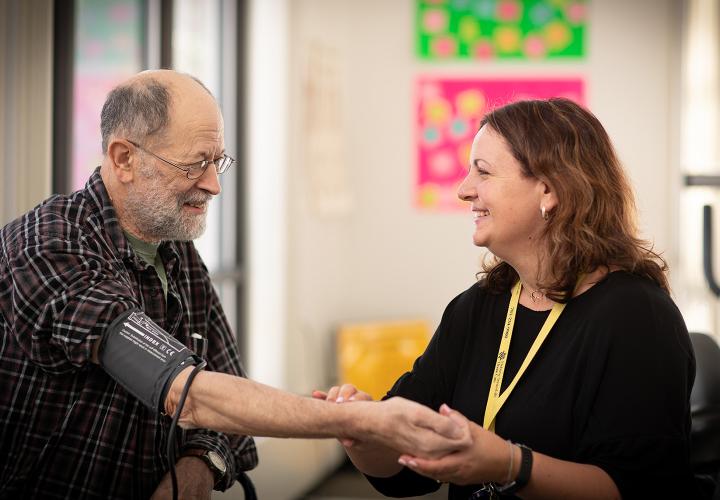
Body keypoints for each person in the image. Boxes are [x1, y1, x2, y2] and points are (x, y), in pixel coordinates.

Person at [0, 70, 470, 500]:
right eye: (194, 164)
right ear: (124, 159)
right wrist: (357, 418)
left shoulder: (177, 252)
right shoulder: (48, 243)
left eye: (217, 162)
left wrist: (197, 466)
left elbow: (226, 393)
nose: (213, 185)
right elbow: (187, 392)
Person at [315, 98, 699, 499]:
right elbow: (407, 469)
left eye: (482, 172)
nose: (464, 191)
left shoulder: (638, 317)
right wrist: (363, 432)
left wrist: (510, 464)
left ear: (549, 189)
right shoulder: (478, 307)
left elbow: (643, 489)